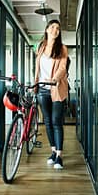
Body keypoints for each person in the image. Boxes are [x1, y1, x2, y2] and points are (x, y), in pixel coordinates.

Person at [35, 19, 68, 169]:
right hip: (42, 89)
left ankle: (59, 156)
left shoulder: (62, 48)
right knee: (47, 121)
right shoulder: (41, 47)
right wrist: (34, 83)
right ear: (47, 29)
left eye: (58, 28)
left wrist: (54, 79)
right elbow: (37, 69)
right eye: (53, 27)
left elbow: (62, 68)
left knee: (56, 121)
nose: (55, 30)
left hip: (56, 88)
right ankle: (53, 151)